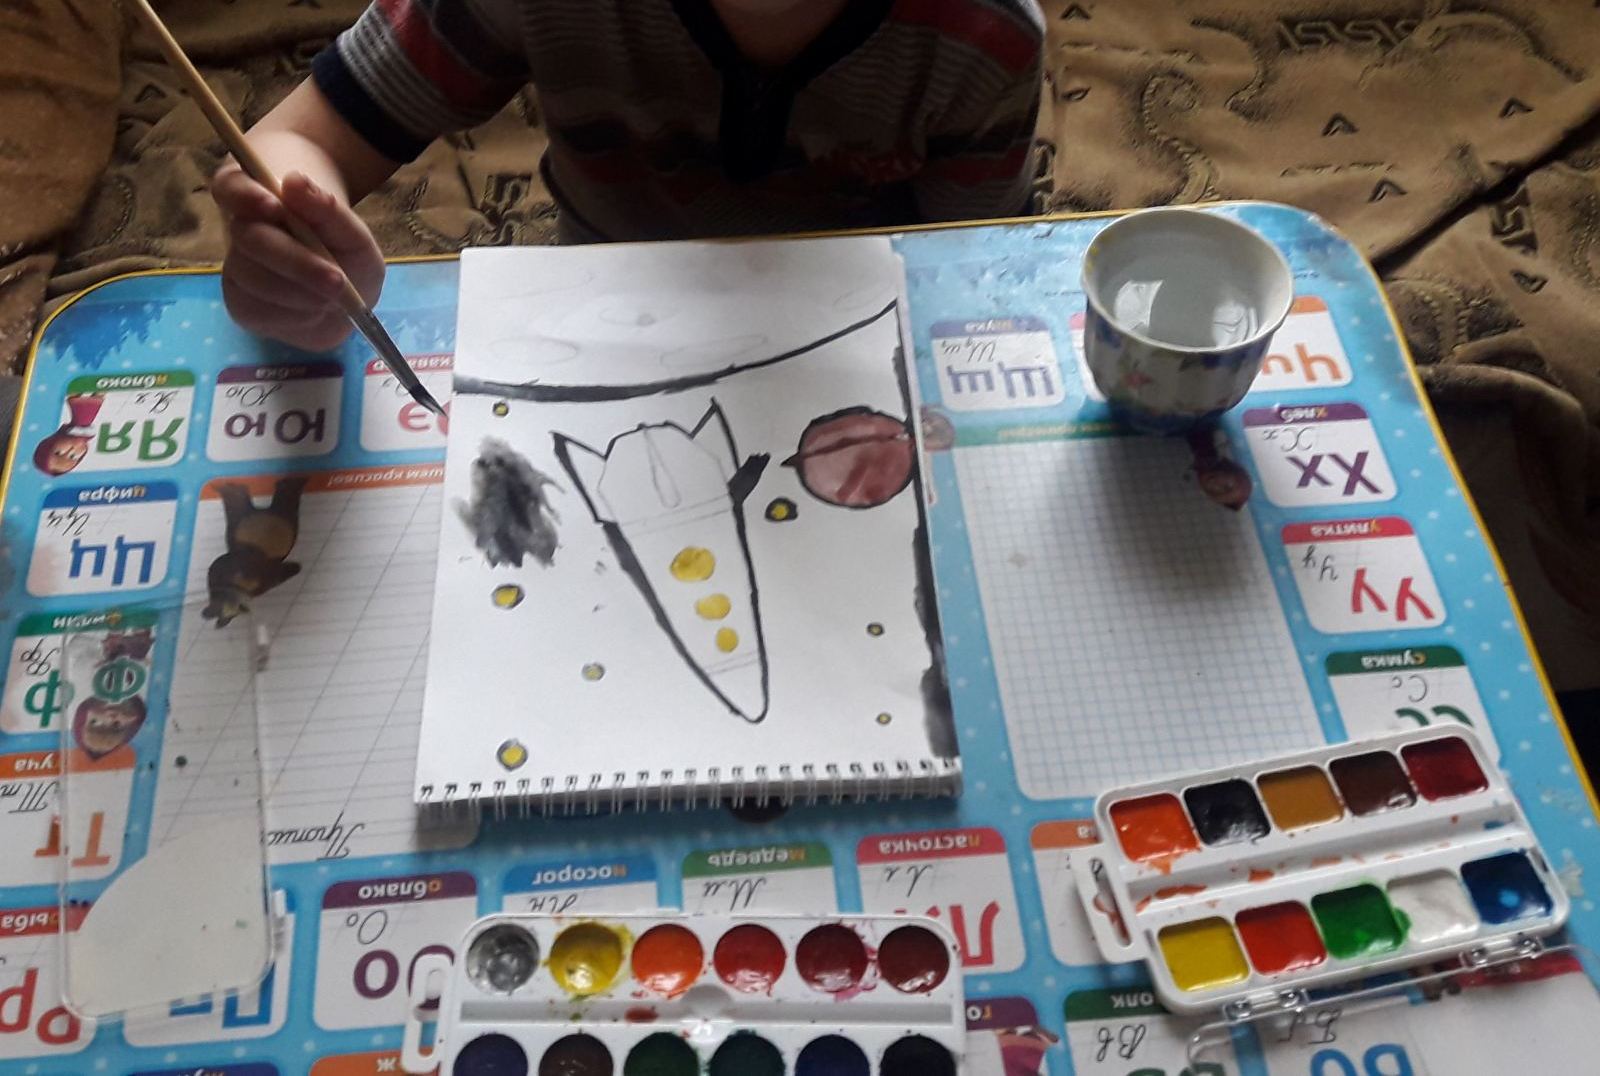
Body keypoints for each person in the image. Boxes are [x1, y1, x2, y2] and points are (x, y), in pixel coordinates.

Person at [212, 0, 1045, 351]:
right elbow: (300, 137)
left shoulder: (987, 33)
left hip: (857, 343)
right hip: (597, 325)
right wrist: (291, 233)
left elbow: (972, 282)